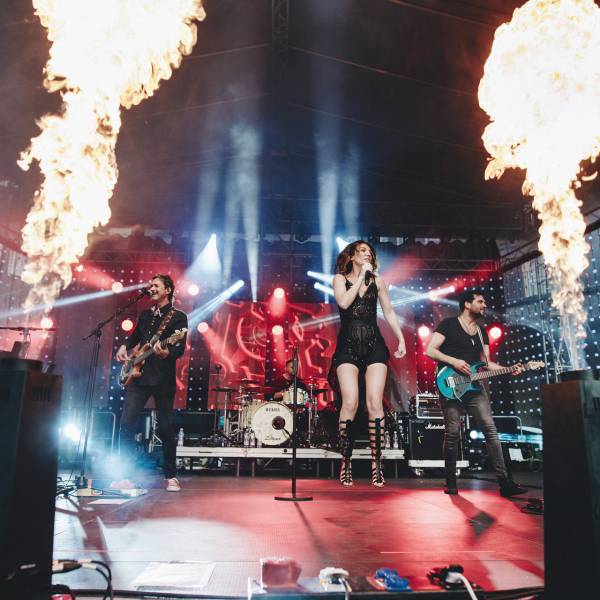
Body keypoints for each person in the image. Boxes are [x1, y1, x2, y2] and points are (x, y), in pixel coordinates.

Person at [426, 289, 527, 497]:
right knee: (452, 433)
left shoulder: (482, 331)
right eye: (480, 301)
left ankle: (505, 483)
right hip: (450, 385)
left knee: (490, 429)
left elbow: (486, 363)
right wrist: (454, 361)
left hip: (473, 386)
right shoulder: (448, 324)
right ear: (467, 304)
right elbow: (431, 350)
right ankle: (451, 482)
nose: (484, 305)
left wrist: (509, 369)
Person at [330, 240, 406, 487]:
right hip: (348, 346)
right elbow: (344, 303)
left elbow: (389, 311)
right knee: (350, 402)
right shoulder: (339, 279)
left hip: (374, 345)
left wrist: (401, 338)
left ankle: (377, 464)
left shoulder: (378, 281)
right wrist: (362, 275)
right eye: (362, 251)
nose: (367, 254)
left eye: (370, 253)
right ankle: (346, 461)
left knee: (374, 403)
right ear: (351, 256)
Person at [116, 274, 188, 492]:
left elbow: (179, 348)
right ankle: (125, 476)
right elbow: (136, 336)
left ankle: (171, 476)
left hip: (162, 379)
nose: (151, 288)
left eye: (156, 285)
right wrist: (124, 346)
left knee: (165, 427)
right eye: (150, 285)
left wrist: (167, 353)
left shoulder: (178, 317)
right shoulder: (146, 314)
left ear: (168, 290)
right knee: (126, 424)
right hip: (138, 376)